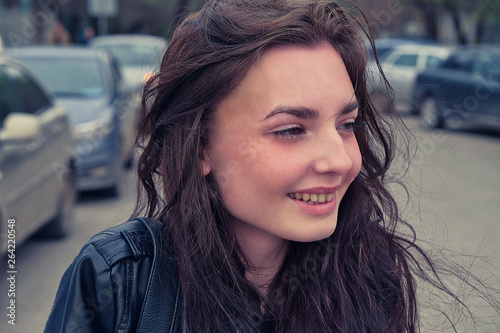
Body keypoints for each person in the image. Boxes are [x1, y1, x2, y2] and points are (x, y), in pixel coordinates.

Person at [44, 1, 498, 332]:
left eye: (347, 123)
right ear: (200, 146)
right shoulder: (121, 282)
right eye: (290, 130)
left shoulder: (370, 271)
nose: (341, 161)